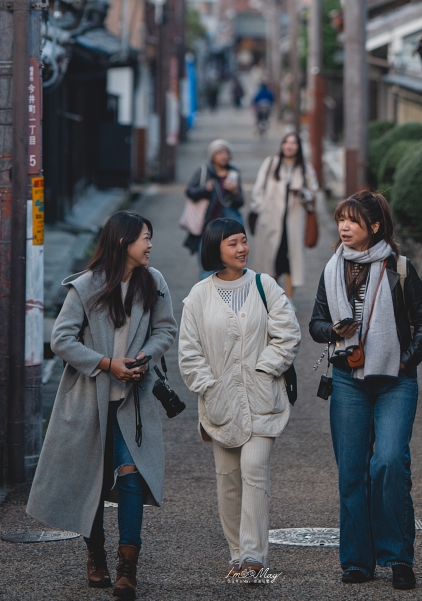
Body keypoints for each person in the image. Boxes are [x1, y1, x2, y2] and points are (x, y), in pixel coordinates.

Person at [27, 211, 177, 600]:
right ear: (123, 242)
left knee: (130, 476)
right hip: (88, 400)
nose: (150, 244)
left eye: (150, 237)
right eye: (145, 237)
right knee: (91, 478)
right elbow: (61, 340)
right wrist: (107, 363)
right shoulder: (86, 286)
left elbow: (166, 329)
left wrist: (144, 354)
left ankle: (128, 568)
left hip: (134, 401)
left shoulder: (154, 282)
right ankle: (96, 557)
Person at [309, 189, 422, 591]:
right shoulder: (333, 268)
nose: (344, 227)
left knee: (389, 463)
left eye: (353, 221)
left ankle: (398, 557)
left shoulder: (399, 267)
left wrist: (405, 360)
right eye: (341, 220)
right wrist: (334, 331)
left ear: (374, 227)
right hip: (347, 379)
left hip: (394, 381)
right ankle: (358, 561)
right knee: (352, 472)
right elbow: (315, 323)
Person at [178, 216, 301, 581]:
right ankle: (236, 553)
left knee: (254, 471)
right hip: (220, 405)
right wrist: (210, 387)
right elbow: (189, 351)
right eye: (233, 243)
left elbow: (288, 335)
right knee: (227, 478)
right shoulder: (198, 296)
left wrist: (265, 370)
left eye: (244, 241)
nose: (242, 248)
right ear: (215, 248)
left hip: (263, 400)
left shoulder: (266, 286)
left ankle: (254, 557)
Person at [248, 129, 319, 298]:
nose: (289, 146)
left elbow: (313, 193)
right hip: (271, 219)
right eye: (287, 142)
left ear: (299, 147)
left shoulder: (305, 169)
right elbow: (258, 189)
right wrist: (261, 207)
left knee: (291, 263)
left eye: (294, 143)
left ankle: (288, 299)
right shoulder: (271, 163)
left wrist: (302, 194)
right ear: (282, 145)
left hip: (294, 222)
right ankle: (270, 297)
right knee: (270, 261)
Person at [183, 138, 244, 266]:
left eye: (225, 152)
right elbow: (189, 191)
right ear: (212, 155)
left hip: (229, 227)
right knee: (208, 265)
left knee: (230, 265)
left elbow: (240, 202)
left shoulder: (234, 173)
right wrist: (204, 189)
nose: (223, 156)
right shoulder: (203, 172)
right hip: (207, 226)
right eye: (219, 153)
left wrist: (234, 191)